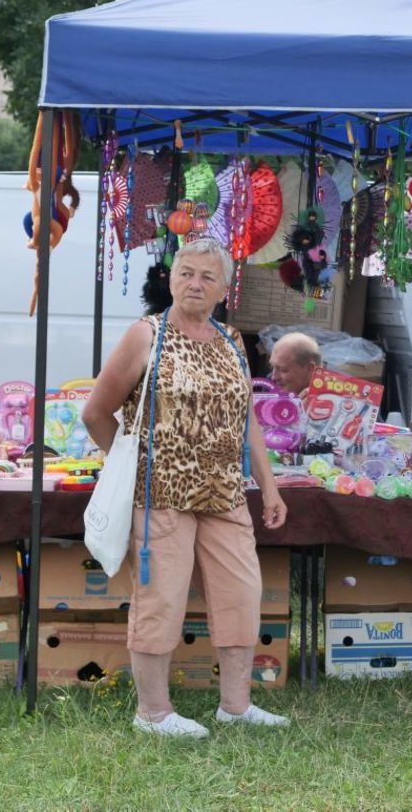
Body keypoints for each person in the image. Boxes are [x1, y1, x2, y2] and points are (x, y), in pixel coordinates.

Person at [83, 237, 289, 739]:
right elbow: (95, 412)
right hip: (161, 497)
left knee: (242, 594)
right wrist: (131, 467)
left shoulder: (232, 342)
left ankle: (235, 706)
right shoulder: (145, 336)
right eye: (186, 273)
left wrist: (271, 486)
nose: (194, 283)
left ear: (224, 286)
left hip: (224, 493)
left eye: (207, 276)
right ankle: (152, 713)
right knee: (161, 600)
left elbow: (248, 423)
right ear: (171, 278)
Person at [269, 331, 321, 396]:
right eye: (272, 367)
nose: (274, 377)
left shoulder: (331, 400)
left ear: (309, 368)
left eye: (283, 370)